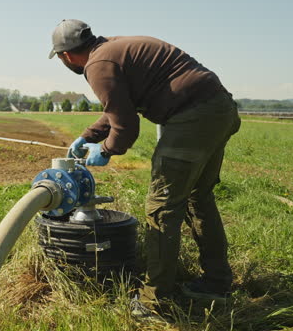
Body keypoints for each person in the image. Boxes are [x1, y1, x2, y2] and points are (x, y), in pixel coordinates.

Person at [49, 19, 241, 318]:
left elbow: (125, 125)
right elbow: (120, 107)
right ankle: (216, 282)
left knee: (162, 207)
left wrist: (108, 149)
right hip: (218, 109)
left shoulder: (98, 65)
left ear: (66, 55)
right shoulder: (114, 49)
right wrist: (88, 136)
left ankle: (154, 302)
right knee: (197, 198)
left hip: (191, 118)